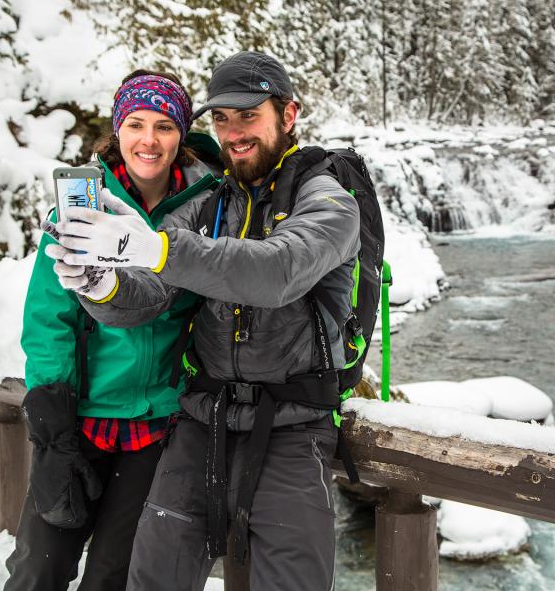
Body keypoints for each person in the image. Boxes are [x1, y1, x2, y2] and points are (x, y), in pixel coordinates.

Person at [47, 51, 360, 591]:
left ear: (289, 115)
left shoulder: (328, 200)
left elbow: (276, 272)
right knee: (151, 577)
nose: (233, 133)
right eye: (221, 119)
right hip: (203, 419)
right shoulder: (211, 204)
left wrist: (157, 246)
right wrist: (101, 284)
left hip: (292, 424)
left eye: (248, 115)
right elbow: (146, 297)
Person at [4, 70, 218, 591]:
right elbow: (49, 317)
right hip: (81, 418)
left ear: (181, 135)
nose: (150, 140)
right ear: (117, 130)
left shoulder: (205, 211)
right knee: (39, 569)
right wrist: (53, 426)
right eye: (137, 124)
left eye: (165, 126)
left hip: (157, 424)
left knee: (113, 576)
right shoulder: (81, 207)